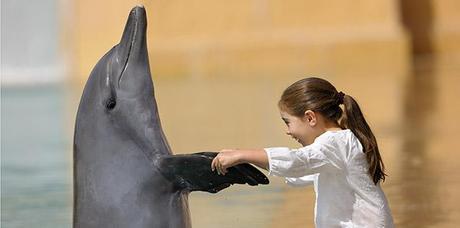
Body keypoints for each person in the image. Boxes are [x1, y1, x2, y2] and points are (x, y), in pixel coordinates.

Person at [211, 77, 394, 227]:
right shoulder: (340, 143)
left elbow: (296, 162)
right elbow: (297, 172)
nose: (288, 131)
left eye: (287, 122)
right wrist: (245, 159)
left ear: (310, 117)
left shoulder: (334, 143)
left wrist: (243, 154)